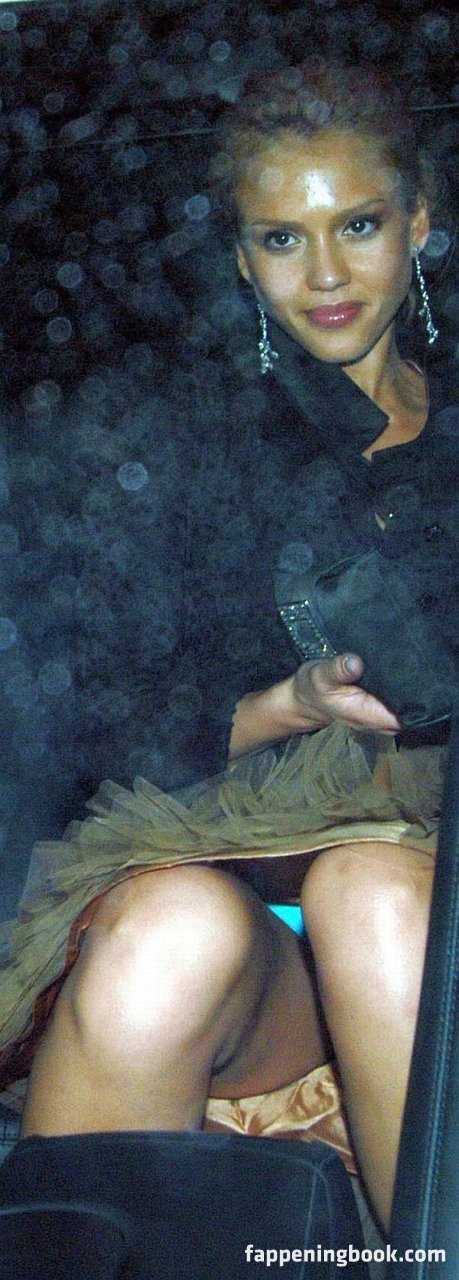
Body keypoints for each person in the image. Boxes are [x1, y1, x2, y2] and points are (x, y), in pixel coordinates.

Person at [0, 59, 457, 1234]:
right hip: (266, 959)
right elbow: (97, 720)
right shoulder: (187, 439)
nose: (326, 274)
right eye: (281, 238)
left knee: (378, 895)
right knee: (165, 933)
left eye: (358, 224)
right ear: (243, 258)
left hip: (422, 910)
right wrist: (289, 701)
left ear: (420, 220)